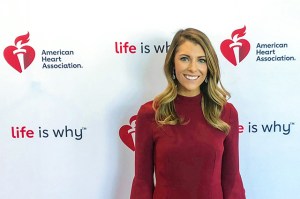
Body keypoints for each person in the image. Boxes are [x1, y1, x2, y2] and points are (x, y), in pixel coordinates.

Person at [130, 28, 246, 199]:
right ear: (172, 64)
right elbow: (142, 182)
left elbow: (232, 180)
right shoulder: (150, 113)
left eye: (201, 60)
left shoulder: (226, 113)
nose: (193, 68)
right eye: (185, 58)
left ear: (209, 66)